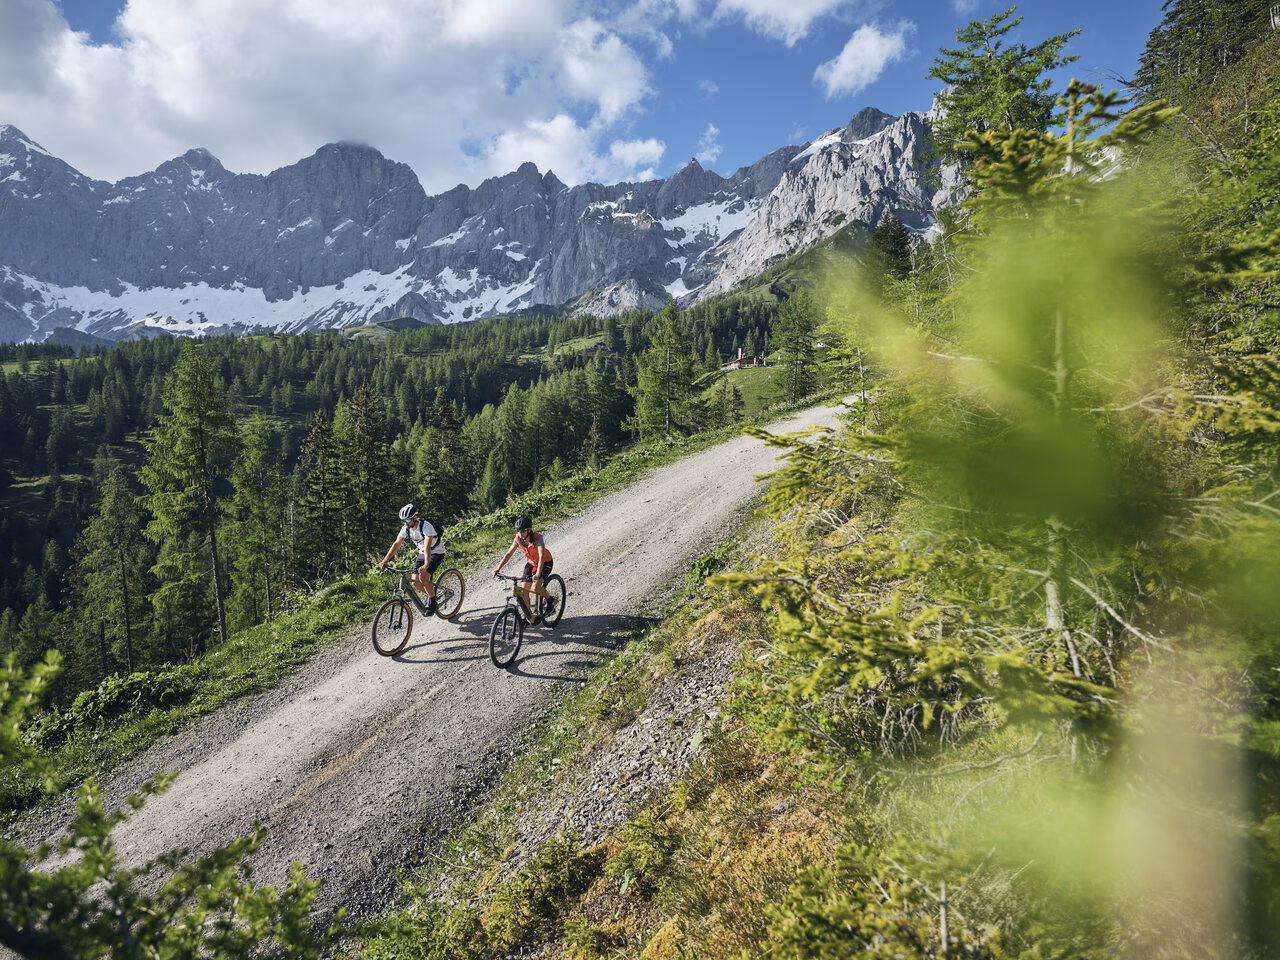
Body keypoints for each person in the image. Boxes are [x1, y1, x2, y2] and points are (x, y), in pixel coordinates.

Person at [380, 503, 444, 614]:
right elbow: (396, 544)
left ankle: (433, 602)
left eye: (408, 521)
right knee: (415, 582)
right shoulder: (406, 528)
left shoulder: (426, 526)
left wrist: (426, 565)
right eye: (403, 521)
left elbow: (427, 546)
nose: (405, 523)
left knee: (423, 578)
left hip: (436, 552)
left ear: (415, 518)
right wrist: (385, 560)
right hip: (422, 553)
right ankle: (433, 593)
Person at [492, 515, 556, 622]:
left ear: (529, 529)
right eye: (517, 530)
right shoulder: (518, 539)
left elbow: (541, 557)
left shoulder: (538, 538)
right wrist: (497, 569)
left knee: (534, 588)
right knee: (523, 590)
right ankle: (529, 616)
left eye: (522, 530)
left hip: (545, 563)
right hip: (531, 563)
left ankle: (550, 600)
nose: (519, 533)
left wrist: (537, 574)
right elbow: (508, 554)